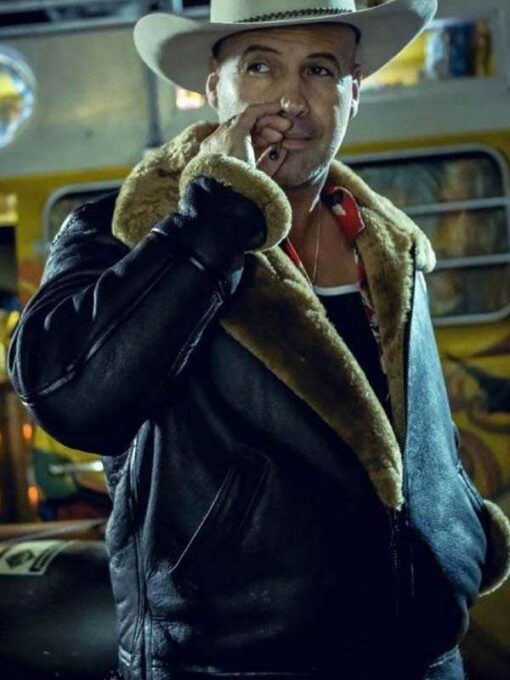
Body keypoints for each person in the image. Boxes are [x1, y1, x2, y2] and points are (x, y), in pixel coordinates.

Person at [7, 1, 510, 679]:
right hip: (230, 665)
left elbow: (416, 435)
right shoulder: (122, 229)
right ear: (215, 86)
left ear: (354, 91)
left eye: (320, 70)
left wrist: (460, 532)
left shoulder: (387, 242)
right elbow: (69, 399)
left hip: (422, 658)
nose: (291, 101)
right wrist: (217, 220)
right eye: (261, 67)